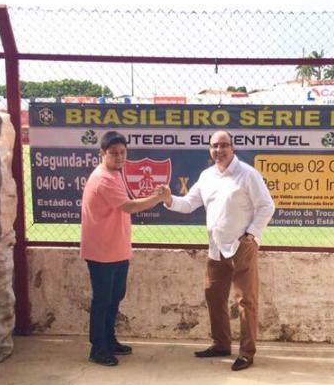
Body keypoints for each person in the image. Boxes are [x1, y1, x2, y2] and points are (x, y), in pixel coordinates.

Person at [162, 130, 275, 371]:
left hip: (241, 247)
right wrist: (168, 198)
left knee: (246, 301)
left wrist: (251, 235)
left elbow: (267, 206)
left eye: (224, 145)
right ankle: (221, 344)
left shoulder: (247, 174)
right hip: (216, 249)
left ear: (233, 148)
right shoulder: (207, 176)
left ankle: (246, 353)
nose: (219, 150)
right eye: (214, 146)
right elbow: (188, 204)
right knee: (214, 296)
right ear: (209, 149)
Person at [81, 130, 169, 366]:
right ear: (102, 153)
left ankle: (109, 340)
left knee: (114, 296)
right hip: (102, 251)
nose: (119, 157)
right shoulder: (104, 178)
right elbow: (128, 207)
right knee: (103, 299)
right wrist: (157, 198)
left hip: (116, 249)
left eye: (122, 153)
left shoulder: (114, 173)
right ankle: (97, 348)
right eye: (113, 153)